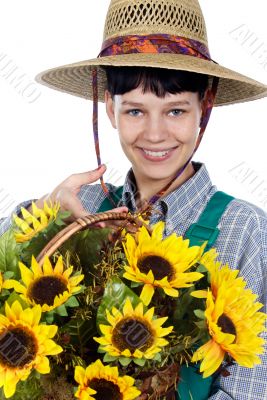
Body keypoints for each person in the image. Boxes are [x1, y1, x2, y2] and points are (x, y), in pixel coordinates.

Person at [0, 0, 267, 399]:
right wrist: (46, 210)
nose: (155, 134)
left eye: (175, 111)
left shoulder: (244, 229)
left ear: (204, 108)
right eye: (136, 111)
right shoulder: (80, 205)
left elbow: (250, 387)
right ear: (109, 108)